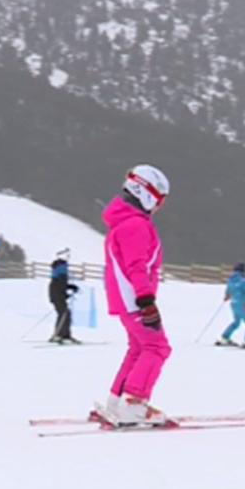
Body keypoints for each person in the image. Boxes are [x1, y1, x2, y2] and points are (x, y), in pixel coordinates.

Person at [96, 165, 171, 427]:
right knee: (157, 348)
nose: (160, 206)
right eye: (160, 199)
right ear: (146, 193)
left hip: (126, 300)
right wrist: (146, 302)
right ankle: (134, 405)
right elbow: (137, 267)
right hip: (135, 301)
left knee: (139, 348)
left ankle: (116, 402)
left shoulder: (125, 222)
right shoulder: (135, 225)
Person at [48, 257, 80, 344]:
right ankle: (59, 335)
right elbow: (61, 286)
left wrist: (71, 288)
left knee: (65, 313)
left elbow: (61, 285)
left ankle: (64, 335)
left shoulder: (58, 273)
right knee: (64, 313)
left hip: (56, 295)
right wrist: (66, 294)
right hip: (57, 296)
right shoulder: (62, 272)